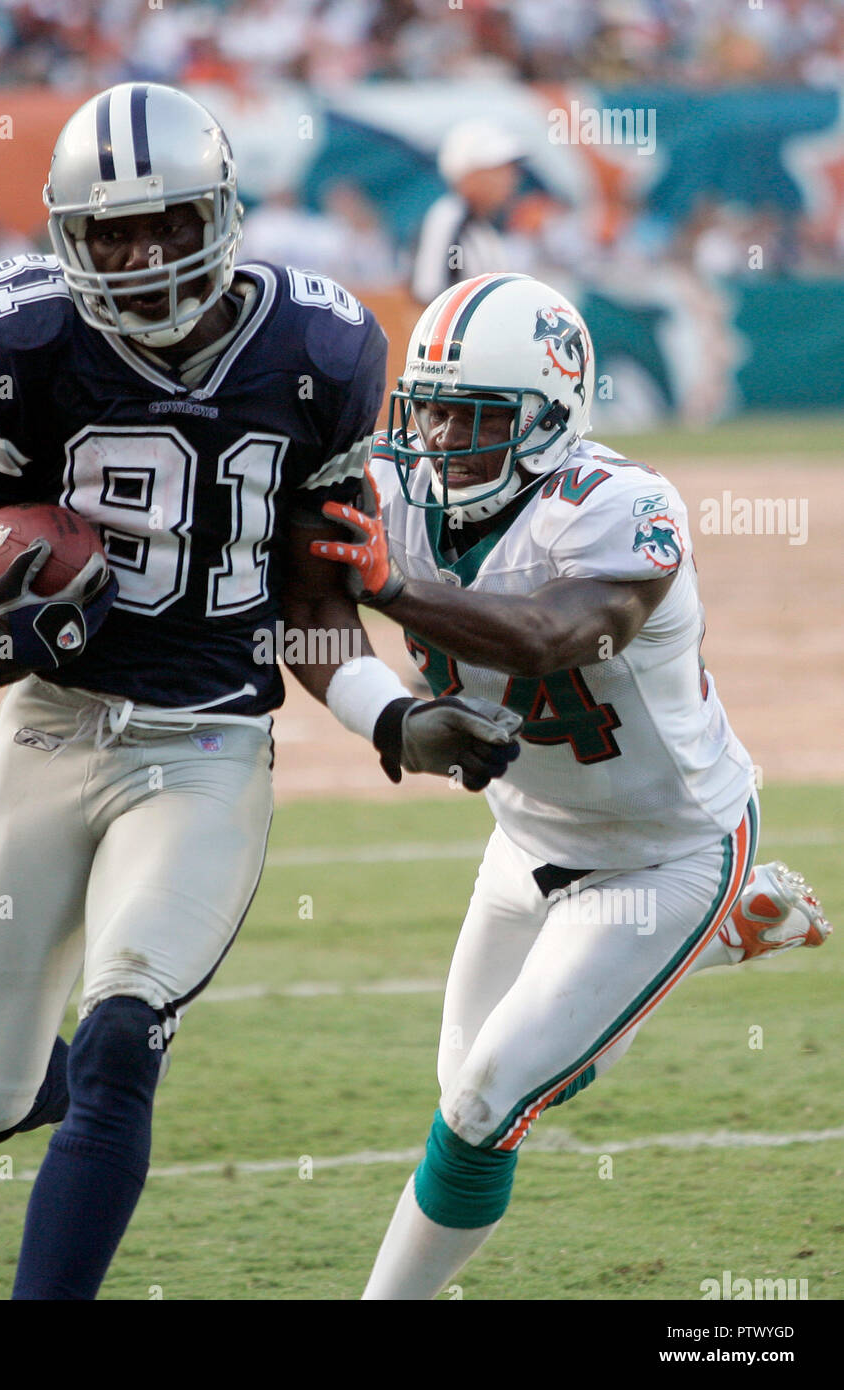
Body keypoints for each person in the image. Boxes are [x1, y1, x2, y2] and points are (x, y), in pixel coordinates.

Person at [0, 83, 521, 1301]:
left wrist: (391, 716)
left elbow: (312, 598)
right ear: (68, 235)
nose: (136, 256)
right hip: (49, 731)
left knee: (125, 1034)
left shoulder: (319, 350)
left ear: (219, 214)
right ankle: (34, 1083)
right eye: (108, 232)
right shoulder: (14, 339)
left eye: (164, 223)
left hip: (206, 745)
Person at [311, 271, 831, 1300]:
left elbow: (553, 636)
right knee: (474, 1076)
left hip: (665, 849)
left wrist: (398, 590)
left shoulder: (621, 509)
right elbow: (309, 587)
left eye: (473, 419)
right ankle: (729, 936)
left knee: (481, 1106)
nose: (439, 444)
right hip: (522, 837)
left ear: (549, 420)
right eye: (428, 414)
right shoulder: (397, 488)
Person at [410, 120, 531, 306]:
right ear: (468, 174)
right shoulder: (449, 220)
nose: (510, 180)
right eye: (497, 171)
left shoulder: (482, 228)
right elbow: (431, 294)